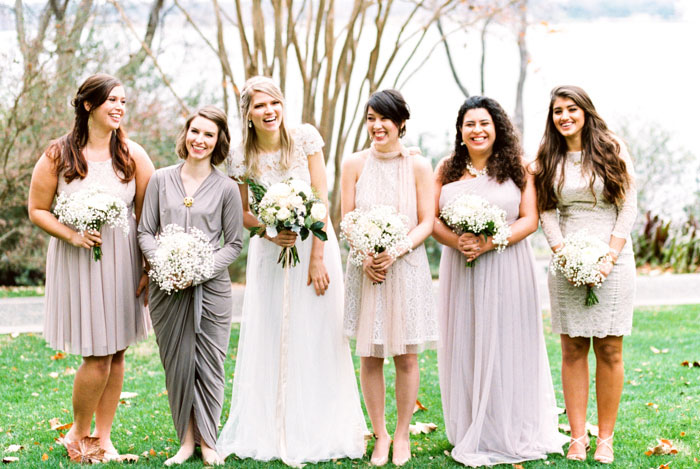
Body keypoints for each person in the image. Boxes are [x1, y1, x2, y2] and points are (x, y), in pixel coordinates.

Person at [216, 76, 368, 466]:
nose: (268, 112)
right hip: (269, 254)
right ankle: (272, 424)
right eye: (259, 106)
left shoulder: (304, 139)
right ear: (247, 113)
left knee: (316, 333)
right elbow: (244, 213)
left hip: (313, 248)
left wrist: (317, 256)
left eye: (274, 104)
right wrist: (269, 230)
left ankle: (318, 424)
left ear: (283, 106)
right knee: (272, 332)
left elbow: (320, 198)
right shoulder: (240, 155)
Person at [432, 96, 567, 467]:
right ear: (460, 131)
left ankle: (509, 426)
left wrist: (490, 241)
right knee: (468, 341)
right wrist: (457, 240)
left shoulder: (520, 167)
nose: (477, 130)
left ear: (497, 128)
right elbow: (432, 221)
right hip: (460, 268)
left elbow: (529, 219)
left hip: (508, 266)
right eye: (469, 124)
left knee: (508, 343)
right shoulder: (446, 168)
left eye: (484, 123)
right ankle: (471, 425)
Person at [27, 73, 154, 460]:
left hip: (123, 260)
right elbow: (36, 210)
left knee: (117, 353)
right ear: (88, 106)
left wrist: (147, 265)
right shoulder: (58, 154)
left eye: (123, 101)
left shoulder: (133, 154)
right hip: (78, 258)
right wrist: (73, 234)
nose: (118, 107)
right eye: (111, 100)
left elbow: (147, 215)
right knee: (97, 354)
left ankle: (103, 438)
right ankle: (77, 436)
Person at [534, 85, 637, 464]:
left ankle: (605, 438)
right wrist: (563, 254)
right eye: (558, 111)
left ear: (586, 111)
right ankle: (578, 437)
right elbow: (545, 210)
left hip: (614, 258)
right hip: (566, 261)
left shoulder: (612, 147)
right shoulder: (548, 155)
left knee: (609, 348)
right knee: (573, 348)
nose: (564, 117)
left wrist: (608, 257)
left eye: (571, 109)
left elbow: (628, 207)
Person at [137, 106, 243, 466]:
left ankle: (209, 441)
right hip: (167, 288)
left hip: (212, 289)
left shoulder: (228, 188)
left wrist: (199, 269)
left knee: (210, 363)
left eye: (208, 135)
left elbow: (234, 244)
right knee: (178, 363)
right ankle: (185, 441)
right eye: (195, 132)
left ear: (218, 142)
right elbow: (144, 232)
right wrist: (165, 263)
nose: (200, 140)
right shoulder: (160, 179)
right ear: (185, 135)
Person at [341, 89, 437, 466]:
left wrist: (394, 251)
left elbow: (427, 221)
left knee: (407, 357)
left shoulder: (418, 166)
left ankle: (401, 436)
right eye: (370, 118)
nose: (377, 126)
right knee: (370, 356)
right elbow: (346, 219)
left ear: (400, 123)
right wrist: (366, 255)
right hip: (366, 271)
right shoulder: (353, 164)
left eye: (384, 119)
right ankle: (379, 434)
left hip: (406, 268)